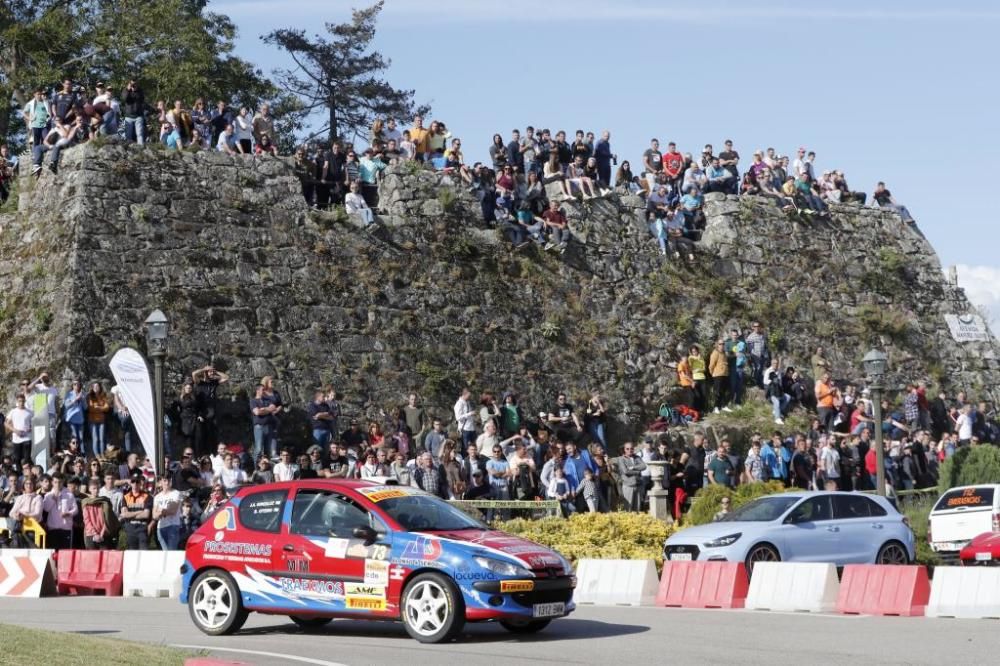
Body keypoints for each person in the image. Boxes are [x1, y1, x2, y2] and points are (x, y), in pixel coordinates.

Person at [153, 475, 181, 550]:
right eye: (165, 480)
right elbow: (154, 516)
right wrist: (164, 511)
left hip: (173, 526)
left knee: (171, 553)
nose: (167, 483)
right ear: (160, 482)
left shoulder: (176, 493)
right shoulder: (157, 497)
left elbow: (173, 511)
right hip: (160, 527)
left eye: (169, 480)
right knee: (165, 554)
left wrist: (161, 511)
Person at [617, 442, 647, 511]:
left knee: (637, 508)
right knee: (628, 508)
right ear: (624, 449)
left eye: (631, 449)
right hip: (628, 485)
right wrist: (638, 471)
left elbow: (644, 466)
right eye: (627, 449)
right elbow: (626, 471)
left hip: (638, 485)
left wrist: (633, 467)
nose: (630, 450)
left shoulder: (637, 457)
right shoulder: (621, 459)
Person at [6, 394, 33, 464]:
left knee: (27, 459)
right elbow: (6, 423)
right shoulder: (13, 411)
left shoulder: (30, 412)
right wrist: (15, 430)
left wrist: (30, 428)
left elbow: (34, 423)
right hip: (16, 439)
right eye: (20, 401)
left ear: (25, 401)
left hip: (27, 438)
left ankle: (27, 473)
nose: (21, 403)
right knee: (17, 459)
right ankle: (19, 474)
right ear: (17, 402)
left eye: (23, 401)